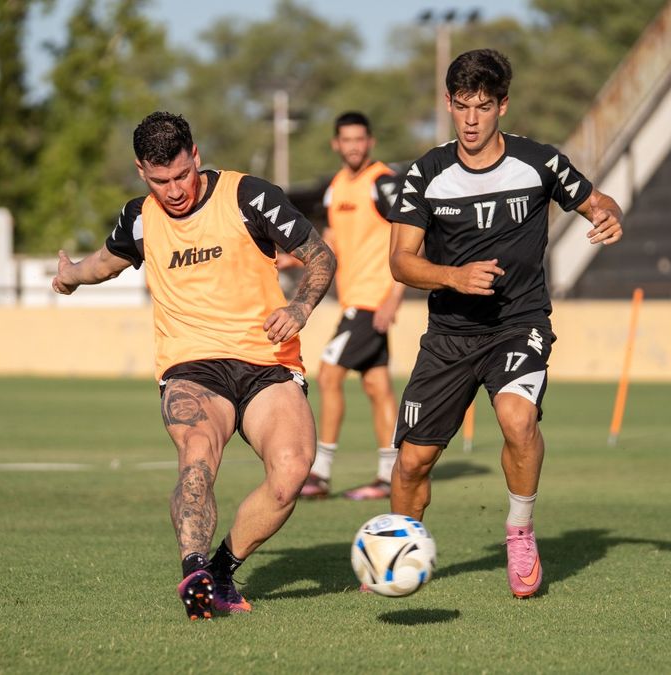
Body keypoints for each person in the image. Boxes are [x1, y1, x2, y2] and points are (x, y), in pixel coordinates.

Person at [51, 111, 336, 619]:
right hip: (192, 365)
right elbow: (106, 261)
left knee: (292, 472)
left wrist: (300, 308)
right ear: (143, 172)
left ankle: (221, 570)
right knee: (198, 453)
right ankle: (195, 571)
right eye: (160, 181)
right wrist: (71, 275)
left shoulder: (249, 196)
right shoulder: (140, 217)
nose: (175, 190)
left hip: (266, 361)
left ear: (196, 157)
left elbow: (319, 255)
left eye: (182, 175)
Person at [386, 49, 624, 598]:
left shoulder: (540, 162)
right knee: (413, 462)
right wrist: (452, 275)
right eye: (462, 106)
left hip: (519, 322)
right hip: (450, 334)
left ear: (503, 106)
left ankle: (519, 531)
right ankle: (397, 552)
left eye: (484, 106)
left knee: (517, 420)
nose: (472, 119)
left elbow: (598, 203)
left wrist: (611, 217)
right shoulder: (426, 173)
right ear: (448, 103)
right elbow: (401, 262)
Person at [298, 111, 405, 501]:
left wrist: (394, 297)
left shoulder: (385, 183)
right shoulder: (336, 188)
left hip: (370, 303)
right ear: (336, 144)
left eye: (360, 139)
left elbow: (410, 238)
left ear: (370, 141)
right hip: (353, 299)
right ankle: (389, 475)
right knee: (377, 386)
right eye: (347, 139)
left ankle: (320, 473)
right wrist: (293, 257)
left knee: (328, 375)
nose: (354, 145)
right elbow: (329, 243)